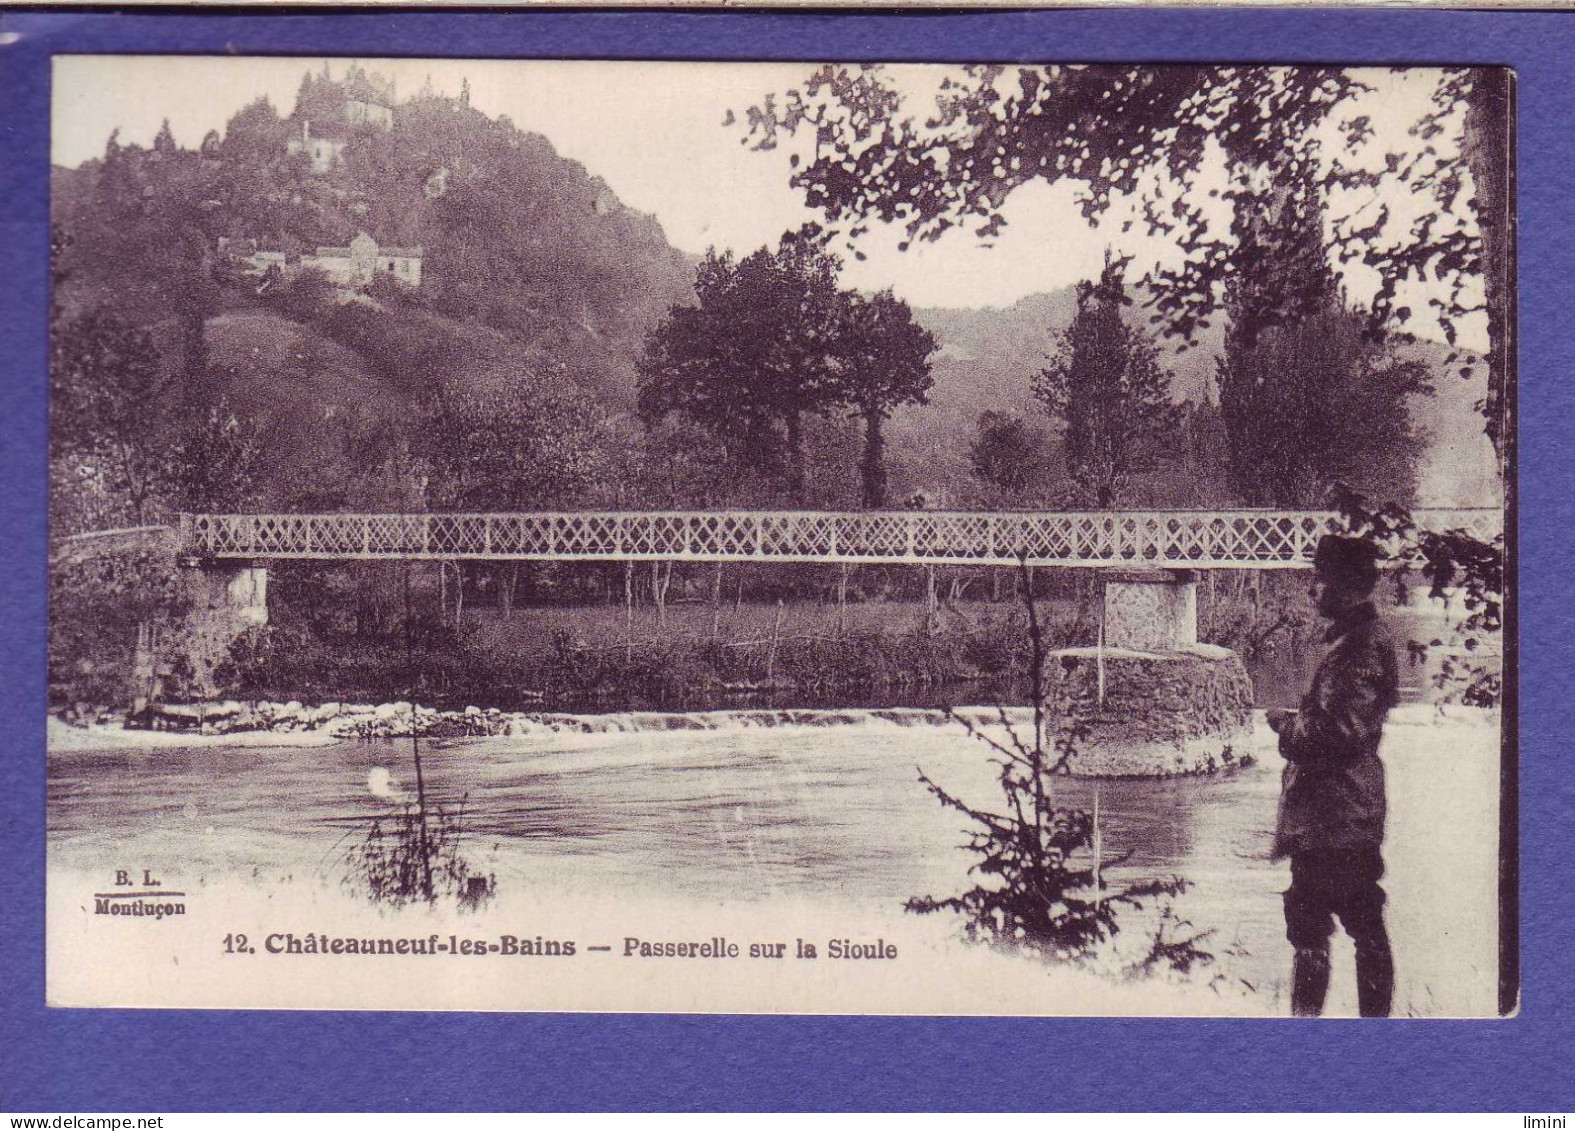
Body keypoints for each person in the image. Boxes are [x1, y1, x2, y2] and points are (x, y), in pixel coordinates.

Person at [1266, 534, 1400, 1018]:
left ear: (1343, 585)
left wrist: (1288, 726)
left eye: (1318, 580)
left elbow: (1341, 734)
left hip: (1335, 816)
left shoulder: (1357, 646)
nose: (1312, 590)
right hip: (1341, 812)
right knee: (1341, 922)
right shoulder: (1356, 640)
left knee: (1324, 926)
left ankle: (1316, 1036)